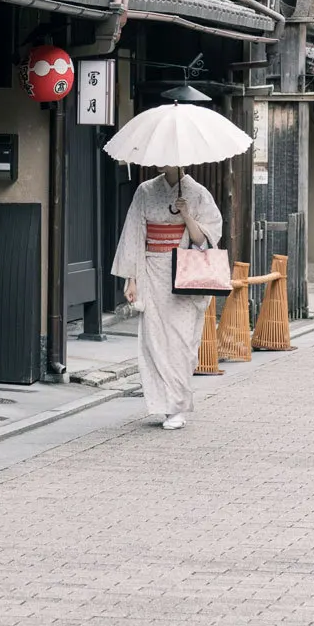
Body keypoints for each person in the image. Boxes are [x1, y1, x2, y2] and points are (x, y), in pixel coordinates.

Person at [112, 166, 223, 430]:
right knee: (155, 340)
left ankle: (177, 406)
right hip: (152, 270)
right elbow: (134, 235)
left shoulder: (197, 193)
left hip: (184, 274)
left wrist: (187, 215)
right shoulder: (145, 190)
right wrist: (132, 277)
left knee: (182, 343)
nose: (165, 162)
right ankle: (165, 406)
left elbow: (204, 241)